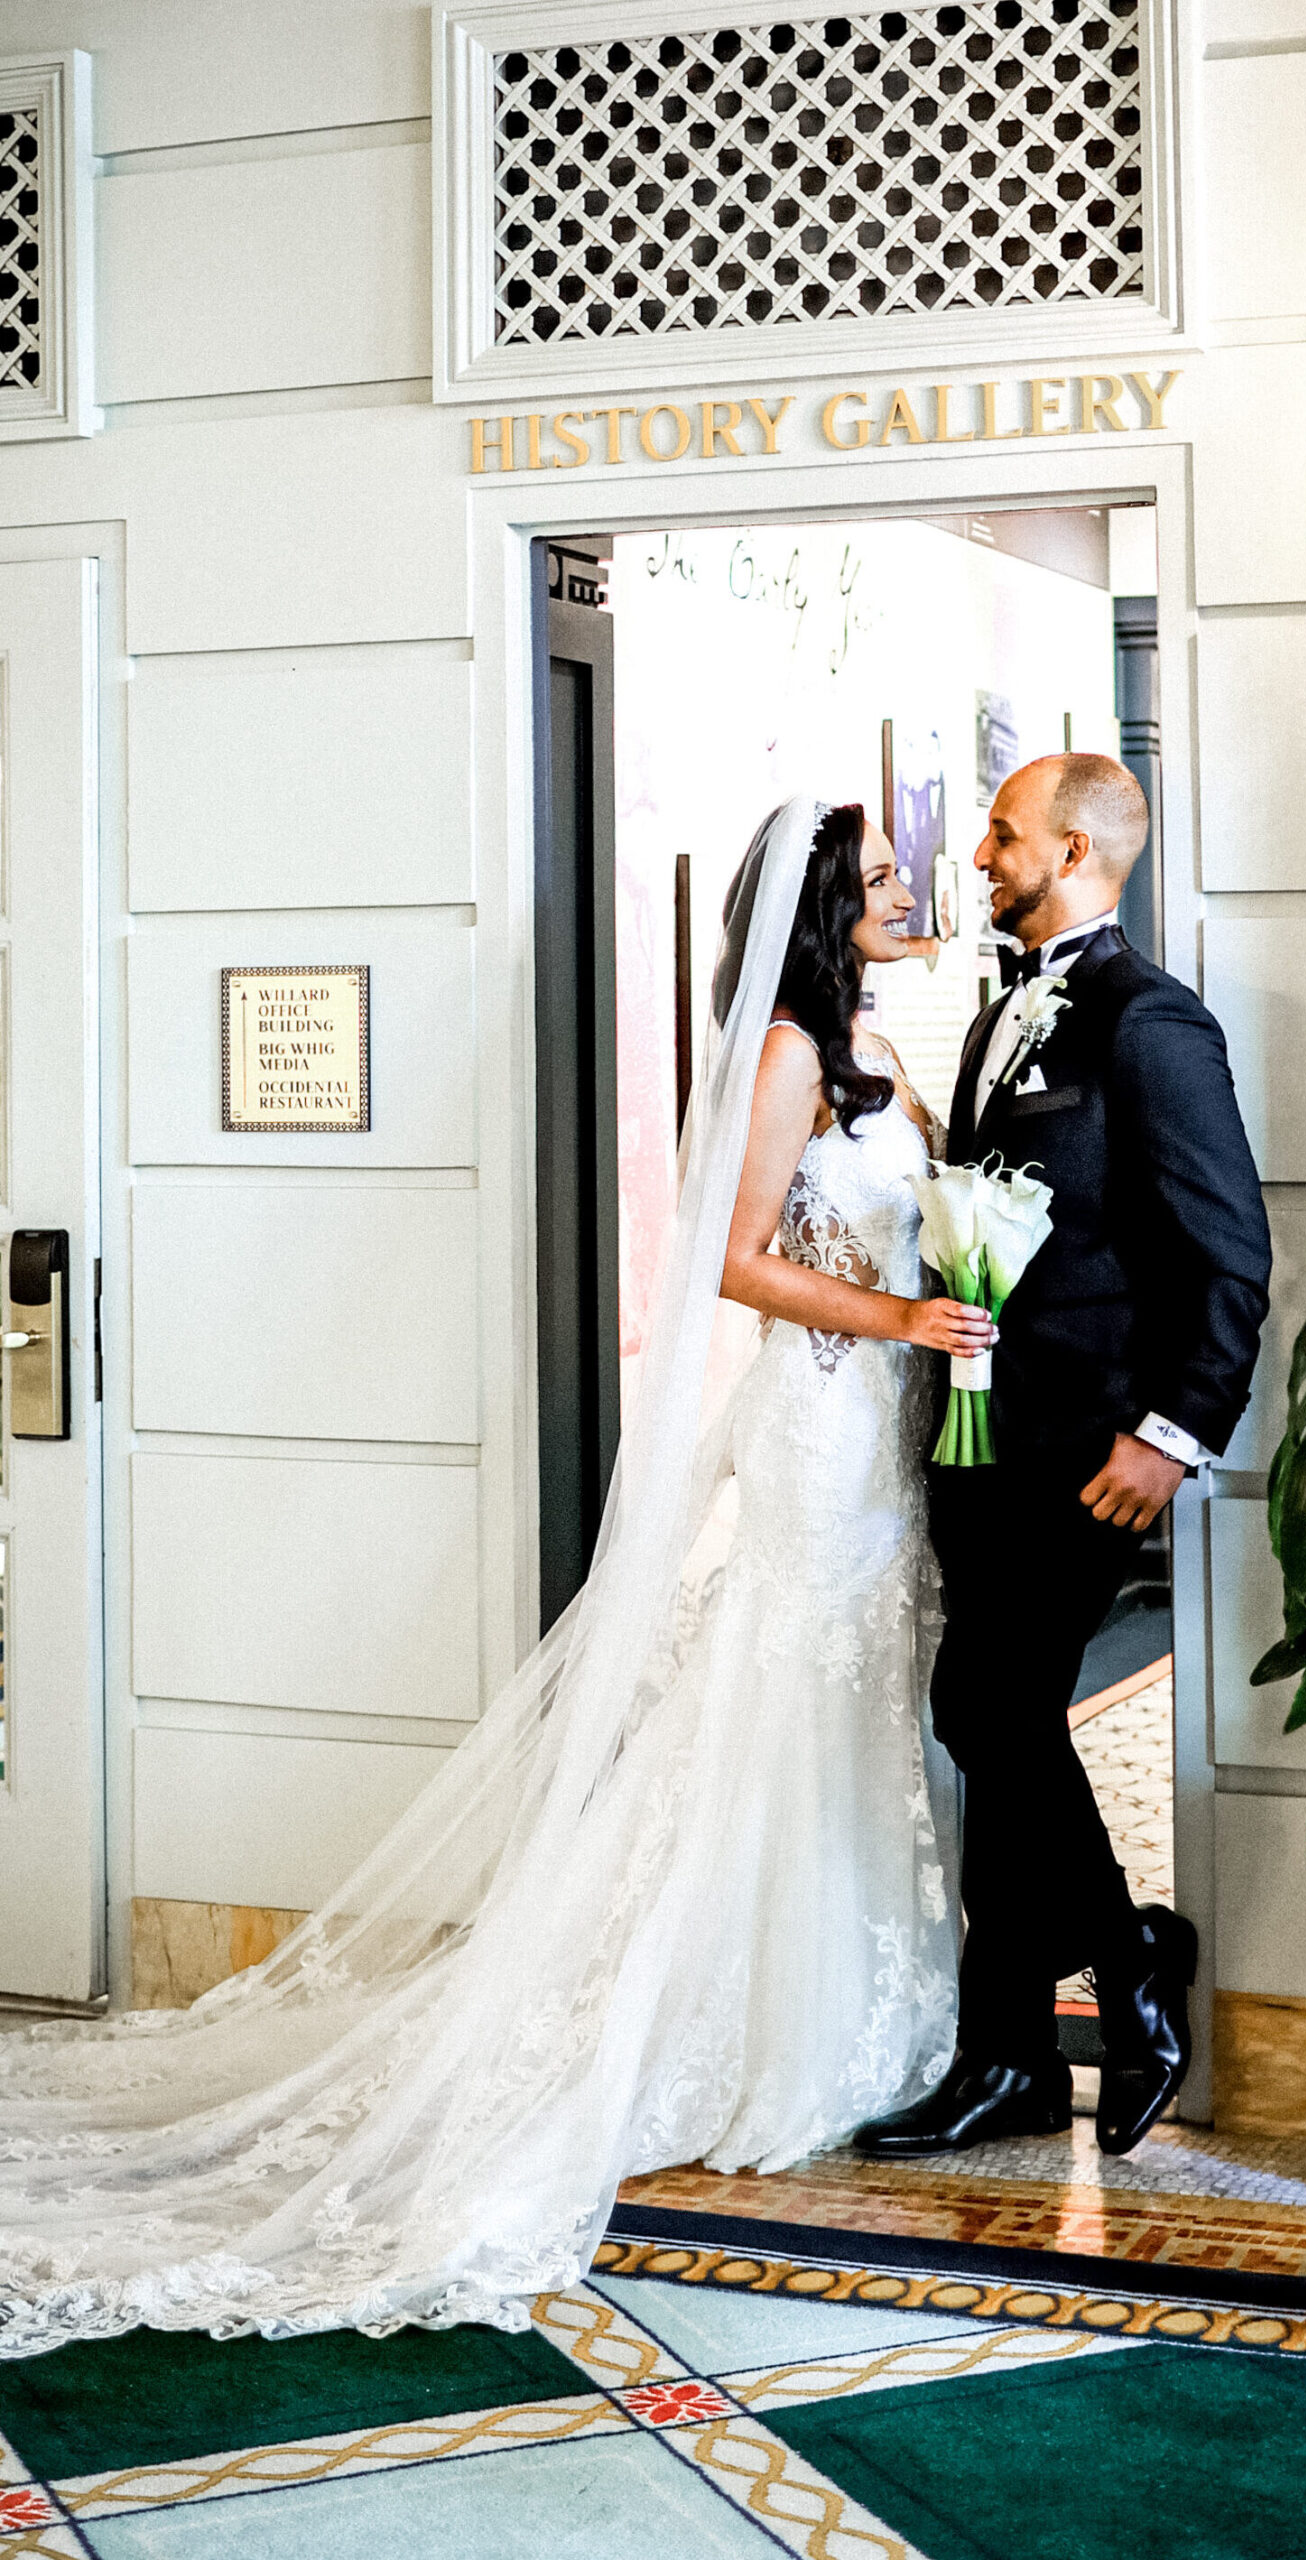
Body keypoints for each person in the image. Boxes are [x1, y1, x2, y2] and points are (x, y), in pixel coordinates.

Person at [0, 797, 986, 2358]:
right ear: (812, 905)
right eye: (872, 879)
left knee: (871, 1691)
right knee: (789, 1688)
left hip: (889, 1420)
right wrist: (899, 1324)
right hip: (823, 1414)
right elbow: (729, 1258)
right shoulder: (788, 1052)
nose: (899, 893)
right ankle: (743, 2034)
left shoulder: (864, 1047)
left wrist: (957, 1272)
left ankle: (864, 2023)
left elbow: (902, 1220)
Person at [855, 754, 1271, 2166]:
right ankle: (1015, 2059)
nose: (978, 851)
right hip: (981, 1436)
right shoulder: (988, 1021)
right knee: (1001, 1719)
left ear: (1079, 847)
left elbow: (1229, 1254)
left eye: (1002, 830)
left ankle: (1130, 1951)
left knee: (984, 1702)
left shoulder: (1154, 1025)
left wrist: (1170, 1436)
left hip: (1093, 1451)